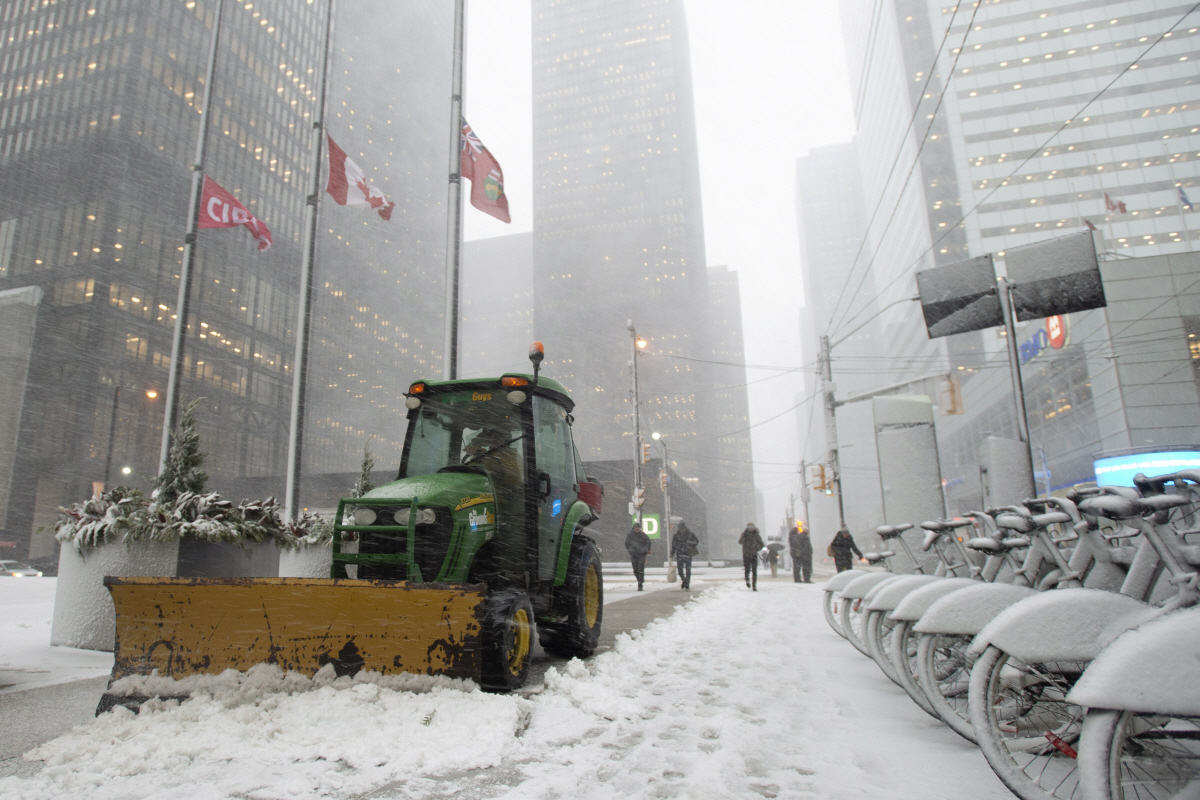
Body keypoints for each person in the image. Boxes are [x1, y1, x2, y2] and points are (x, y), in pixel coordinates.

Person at [669, 521, 699, 590]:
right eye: (681, 529)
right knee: (680, 571)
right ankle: (685, 581)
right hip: (680, 554)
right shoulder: (676, 535)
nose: (682, 530)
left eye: (683, 529)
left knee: (688, 571)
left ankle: (687, 583)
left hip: (688, 554)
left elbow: (696, 541)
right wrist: (672, 554)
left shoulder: (690, 534)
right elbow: (673, 546)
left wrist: (690, 543)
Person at [625, 522, 652, 591]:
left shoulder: (643, 535)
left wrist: (645, 549)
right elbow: (626, 543)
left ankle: (640, 584)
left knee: (641, 568)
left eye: (638, 528)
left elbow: (649, 542)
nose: (637, 529)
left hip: (642, 554)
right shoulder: (630, 535)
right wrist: (630, 550)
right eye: (636, 528)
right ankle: (640, 580)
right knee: (635, 570)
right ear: (633, 528)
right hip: (633, 554)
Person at [738, 523, 764, 591]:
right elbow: (740, 542)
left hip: (752, 554)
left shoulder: (756, 535)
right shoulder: (745, 534)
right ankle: (748, 580)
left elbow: (761, 544)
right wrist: (744, 536)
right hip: (748, 554)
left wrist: (757, 549)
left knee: (753, 570)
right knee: (748, 569)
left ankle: (753, 585)